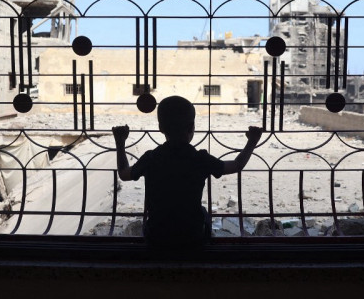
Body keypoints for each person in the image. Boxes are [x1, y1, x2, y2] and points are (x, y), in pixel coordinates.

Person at [112, 95, 263, 248]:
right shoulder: (199, 158)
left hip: (157, 237)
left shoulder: (151, 158)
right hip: (192, 237)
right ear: (191, 127)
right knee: (203, 213)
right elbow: (237, 165)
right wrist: (252, 141)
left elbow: (124, 173)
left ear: (161, 128)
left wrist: (120, 142)